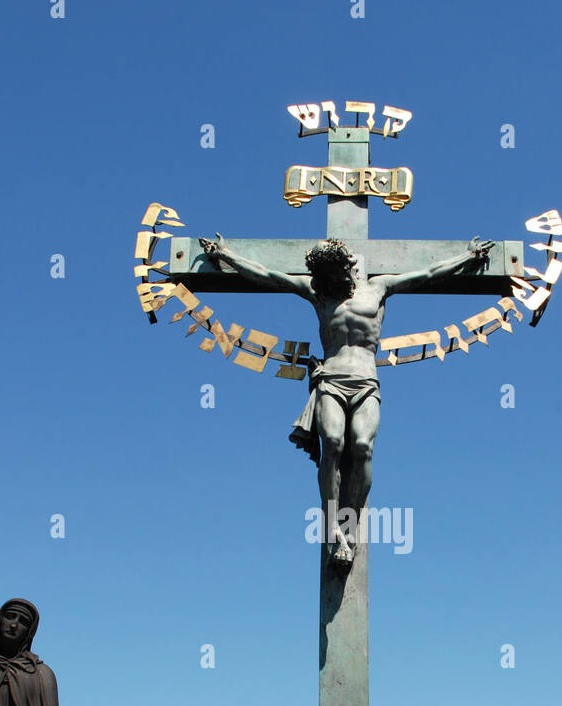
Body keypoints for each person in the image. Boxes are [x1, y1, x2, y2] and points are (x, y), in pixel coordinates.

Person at [199, 233, 493, 569]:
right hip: (332, 381)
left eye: (335, 276)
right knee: (334, 443)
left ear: (348, 269)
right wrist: (227, 255)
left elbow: (427, 274)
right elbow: (268, 276)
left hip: (366, 381)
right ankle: (333, 531)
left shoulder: (379, 288)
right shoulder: (318, 293)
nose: (330, 282)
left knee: (363, 446)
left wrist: (466, 259)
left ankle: (351, 529)